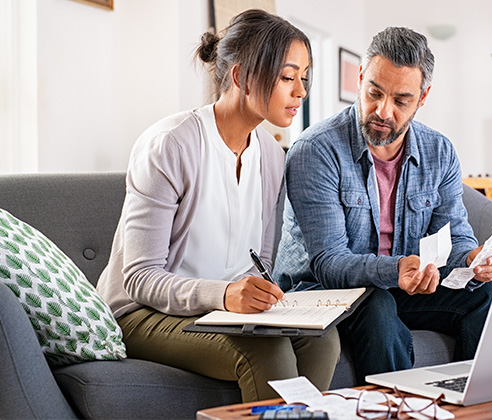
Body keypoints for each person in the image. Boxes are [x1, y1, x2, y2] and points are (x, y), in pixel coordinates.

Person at [96, 9, 340, 402]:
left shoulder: (273, 157)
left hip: (221, 313)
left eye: (304, 78)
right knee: (268, 350)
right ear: (242, 76)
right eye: (287, 77)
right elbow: (139, 278)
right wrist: (224, 295)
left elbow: (258, 260)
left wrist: (263, 298)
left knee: (322, 340)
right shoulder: (170, 145)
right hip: (143, 314)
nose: (300, 91)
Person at [273, 26, 492, 380]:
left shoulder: (438, 151)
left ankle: (473, 405)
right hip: (321, 291)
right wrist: (397, 270)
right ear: (361, 78)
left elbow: (456, 236)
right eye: (374, 93)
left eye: (401, 101)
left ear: (422, 97)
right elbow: (328, 263)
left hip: (398, 284)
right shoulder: (316, 150)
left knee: (487, 293)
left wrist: (473, 259)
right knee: (378, 304)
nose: (383, 111)